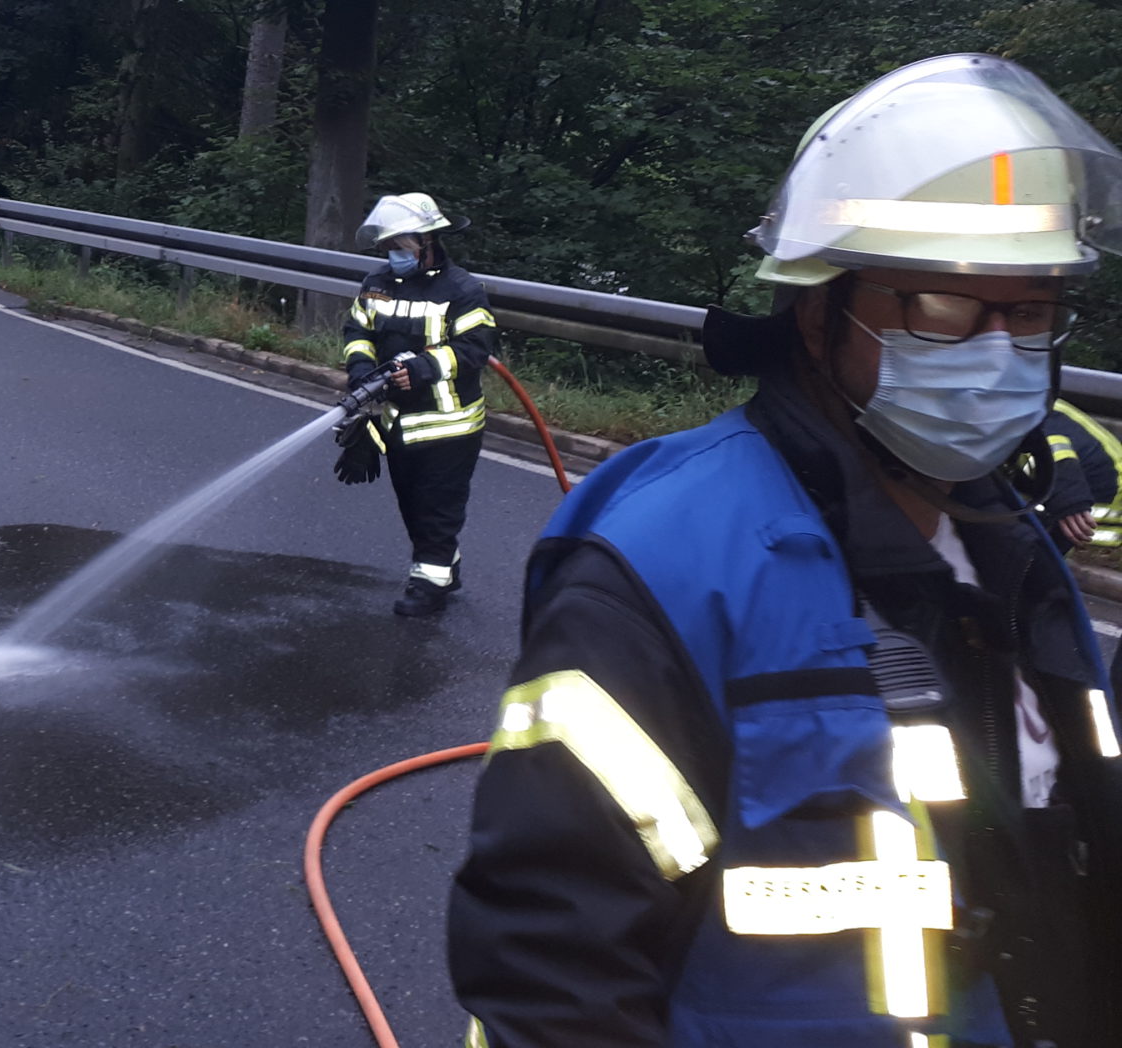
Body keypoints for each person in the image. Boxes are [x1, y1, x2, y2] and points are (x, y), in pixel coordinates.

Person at [449, 54, 1122, 1047]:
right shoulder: (668, 561)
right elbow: (550, 972)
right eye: (942, 306)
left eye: (1029, 312)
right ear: (819, 314)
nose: (996, 353)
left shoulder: (1010, 545)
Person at [338, 191, 499, 617]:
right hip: (399, 422)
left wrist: (424, 368)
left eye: (401, 246)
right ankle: (443, 561)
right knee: (412, 503)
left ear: (427, 243)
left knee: (438, 506)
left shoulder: (462, 290)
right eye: (388, 247)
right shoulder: (376, 285)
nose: (393, 255)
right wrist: (362, 370)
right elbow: (358, 331)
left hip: (450, 425)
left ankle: (430, 584)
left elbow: (476, 347)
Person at [1043, 398, 1122, 551]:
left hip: (1099, 522)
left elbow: (1053, 448)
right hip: (1092, 492)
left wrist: (1068, 499)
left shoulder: (1023, 413)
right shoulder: (1034, 401)